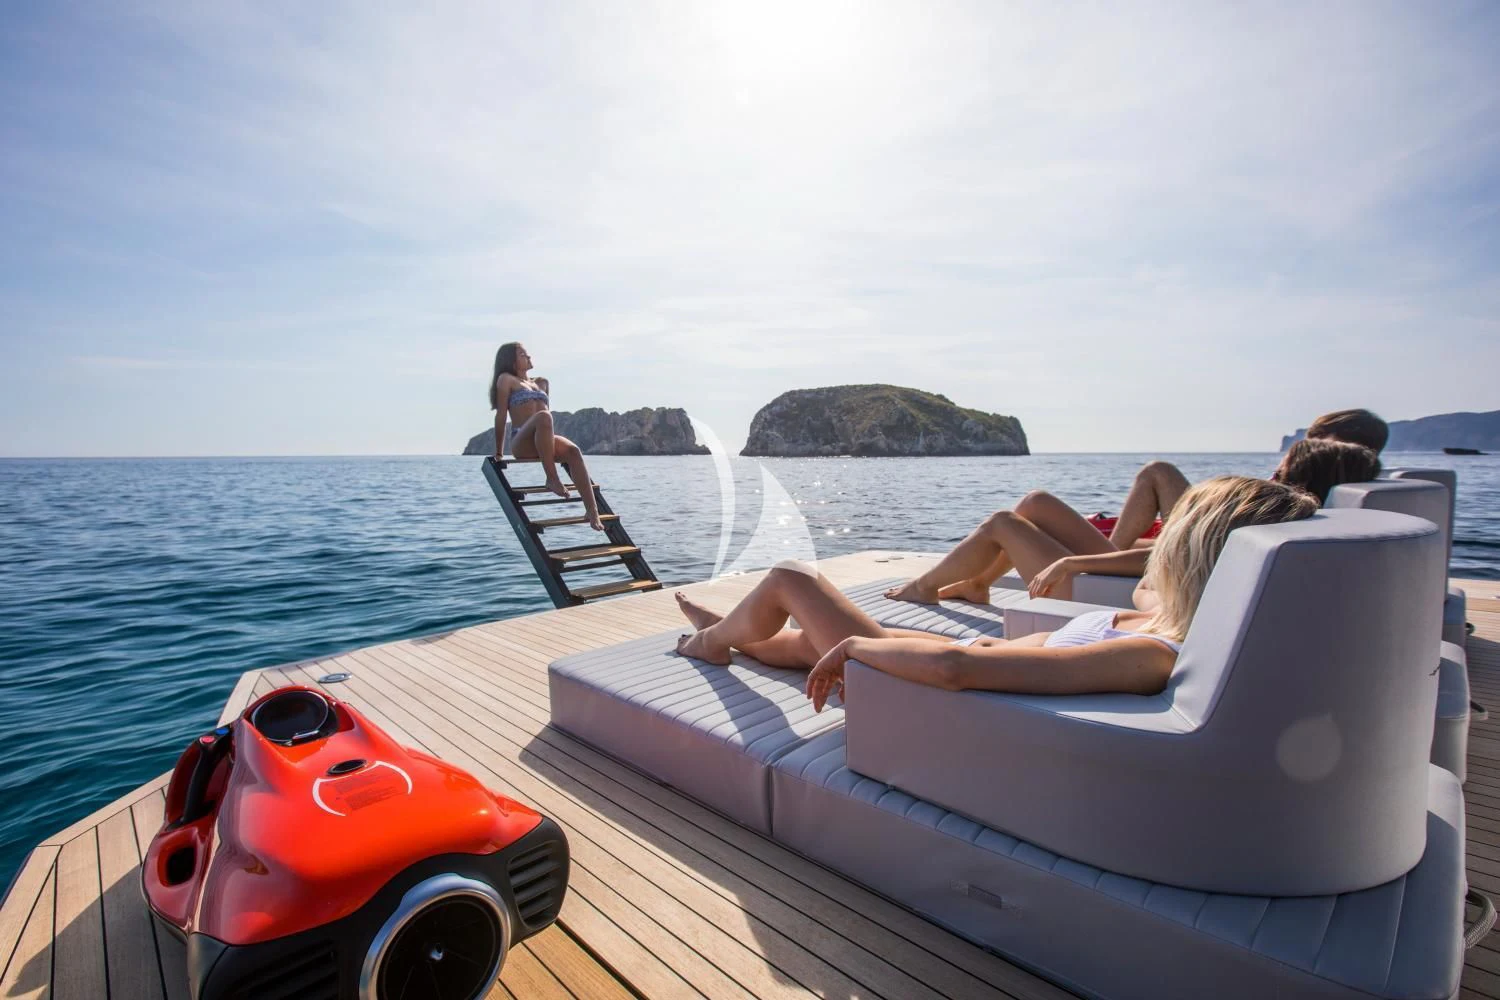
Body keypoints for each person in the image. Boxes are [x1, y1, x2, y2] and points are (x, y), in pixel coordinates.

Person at [671, 477, 1318, 710]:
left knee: (793, 578)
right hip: (957, 654)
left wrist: (858, 652)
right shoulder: (1182, 626)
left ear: (1192, 559)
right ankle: (731, 630)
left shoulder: (1152, 654)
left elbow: (957, 669)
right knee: (796, 645)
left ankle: (712, 640)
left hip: (931, 679)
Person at [883, 430, 1381, 605]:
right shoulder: (1292, 519)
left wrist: (1079, 564)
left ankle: (923, 588)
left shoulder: (1263, 519)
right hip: (1143, 576)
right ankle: (976, 585)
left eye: (1285, 466)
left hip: (1118, 591)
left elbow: (1177, 568)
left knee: (1002, 522)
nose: (1276, 469)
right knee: (1033, 502)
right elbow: (1184, 557)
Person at [489, 342, 605, 530]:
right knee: (544, 416)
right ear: (511, 360)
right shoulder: (506, 379)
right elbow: (501, 415)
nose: (528, 357)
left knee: (574, 451)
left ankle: (592, 512)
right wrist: (499, 453)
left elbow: (546, 422)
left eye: (527, 354)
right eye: (522, 354)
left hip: (543, 439)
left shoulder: (542, 382)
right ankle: (552, 478)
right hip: (522, 441)